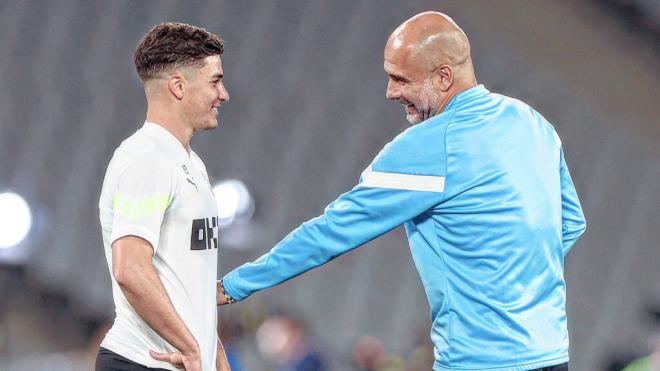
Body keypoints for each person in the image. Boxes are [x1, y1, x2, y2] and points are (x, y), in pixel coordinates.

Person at [219, 11, 586, 371]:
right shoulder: (533, 123)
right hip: (552, 355)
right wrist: (514, 286)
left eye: (400, 79)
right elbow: (570, 223)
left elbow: (331, 232)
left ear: (444, 77)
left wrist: (235, 284)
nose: (390, 92)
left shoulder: (428, 145)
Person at [98, 22, 231, 371]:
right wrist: (190, 345)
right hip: (144, 362)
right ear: (177, 86)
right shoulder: (146, 159)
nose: (224, 94)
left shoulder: (190, 163)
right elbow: (129, 267)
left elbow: (185, 280)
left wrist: (211, 348)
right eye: (215, 82)